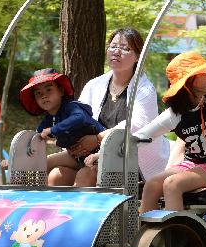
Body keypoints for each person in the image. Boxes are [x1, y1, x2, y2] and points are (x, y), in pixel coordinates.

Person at [51, 28, 169, 187]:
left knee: (86, 174)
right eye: (113, 46)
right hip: (90, 153)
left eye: (125, 48)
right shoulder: (94, 85)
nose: (117, 52)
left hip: (130, 158)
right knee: (55, 174)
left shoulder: (144, 89)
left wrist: (97, 139)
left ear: (137, 57)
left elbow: (136, 126)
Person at [135, 51, 206, 212]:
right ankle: (149, 234)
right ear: (187, 84)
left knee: (172, 184)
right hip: (193, 163)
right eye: (201, 73)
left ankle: (175, 235)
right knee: (152, 184)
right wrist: (109, 151)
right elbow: (142, 137)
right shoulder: (174, 114)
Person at [18, 68, 106, 176]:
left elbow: (79, 118)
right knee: (42, 165)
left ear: (61, 91)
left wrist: (53, 129)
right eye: (38, 93)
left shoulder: (71, 107)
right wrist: (19, 158)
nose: (44, 95)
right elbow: (36, 137)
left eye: (49, 90)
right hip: (78, 156)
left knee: (84, 175)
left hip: (101, 153)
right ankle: (19, 167)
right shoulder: (49, 118)